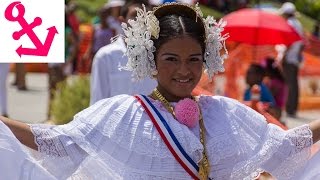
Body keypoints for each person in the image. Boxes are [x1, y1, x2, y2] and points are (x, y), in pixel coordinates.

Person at [1, 3, 320, 179]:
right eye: (171, 59)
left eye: (194, 59)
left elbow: (286, 145)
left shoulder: (223, 112)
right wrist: (2, 122)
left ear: (206, 59)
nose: (184, 70)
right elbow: (57, 142)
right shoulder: (122, 113)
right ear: (151, 62)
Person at [90, 1, 156, 105]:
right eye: (135, 16)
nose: (140, 21)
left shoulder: (158, 56)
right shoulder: (105, 56)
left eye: (145, 16)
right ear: (122, 21)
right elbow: (97, 101)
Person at [279, 2, 305, 117]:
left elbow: (289, 42)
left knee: (290, 84)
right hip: (295, 58)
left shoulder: (289, 24)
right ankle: (292, 108)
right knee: (294, 84)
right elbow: (302, 43)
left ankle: (289, 109)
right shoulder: (298, 24)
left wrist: (283, 55)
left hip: (289, 58)